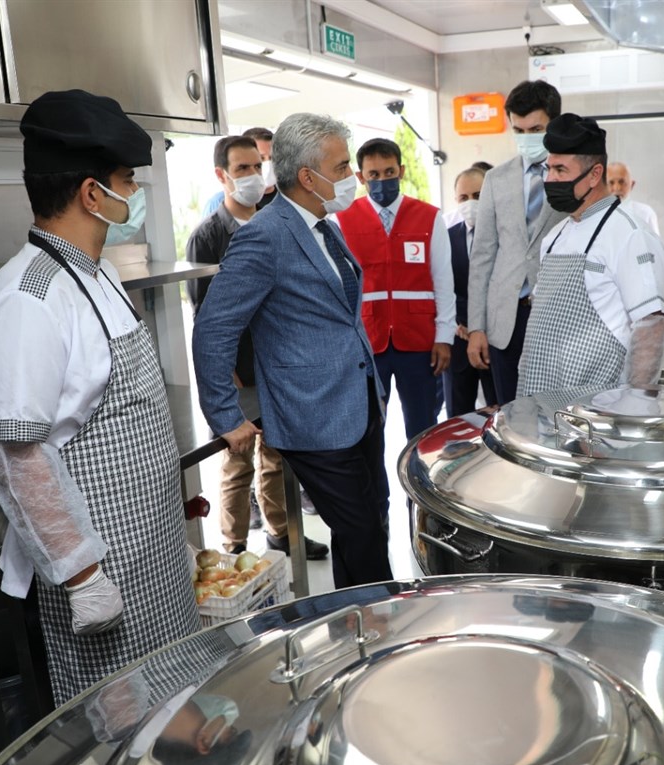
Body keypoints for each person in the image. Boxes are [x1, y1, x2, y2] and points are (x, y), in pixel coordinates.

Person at [0, 89, 199, 706]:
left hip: (149, 552)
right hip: (104, 574)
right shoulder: (30, 297)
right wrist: (83, 576)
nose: (136, 192)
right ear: (92, 193)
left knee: (168, 712)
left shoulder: (94, 272)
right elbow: (18, 457)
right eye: (129, 180)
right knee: (118, 735)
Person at [193, 112, 393, 589]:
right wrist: (224, 414)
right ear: (308, 177)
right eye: (343, 167)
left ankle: (356, 624)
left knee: (370, 523)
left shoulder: (324, 225)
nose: (353, 177)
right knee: (363, 534)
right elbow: (213, 329)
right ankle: (385, 634)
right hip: (313, 414)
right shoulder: (265, 236)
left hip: (358, 401)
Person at [185, 137, 329, 560]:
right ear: (222, 175)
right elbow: (205, 314)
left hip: (278, 365)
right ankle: (233, 548)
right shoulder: (208, 237)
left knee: (278, 457)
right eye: (242, 168)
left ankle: (281, 533)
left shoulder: (274, 222)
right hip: (239, 370)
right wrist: (224, 372)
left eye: (258, 164)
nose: (254, 175)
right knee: (237, 460)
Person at [517, 113, 664, 397]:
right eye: (548, 170)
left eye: (561, 170)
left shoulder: (631, 235)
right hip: (542, 398)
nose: (550, 179)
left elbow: (650, 327)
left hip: (598, 409)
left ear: (595, 174)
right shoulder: (554, 237)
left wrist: (636, 405)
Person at [335, 138, 454, 442]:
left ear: (401, 171)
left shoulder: (429, 217)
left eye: (389, 172)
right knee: (370, 427)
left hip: (419, 341)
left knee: (423, 425)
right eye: (373, 175)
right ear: (360, 177)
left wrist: (444, 337)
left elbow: (443, 281)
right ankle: (376, 491)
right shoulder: (342, 220)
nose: (382, 180)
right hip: (368, 342)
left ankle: (418, 489)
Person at [466, 80, 567, 404]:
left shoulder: (571, 174)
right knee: (509, 413)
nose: (526, 138)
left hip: (555, 312)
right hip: (505, 317)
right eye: (518, 130)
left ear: (554, 123)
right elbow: (482, 255)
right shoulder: (497, 178)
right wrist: (476, 327)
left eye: (535, 129)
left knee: (556, 411)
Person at [444, 166, 497, 416]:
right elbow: (441, 286)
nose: (470, 203)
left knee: (502, 413)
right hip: (458, 340)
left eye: (477, 195)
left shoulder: (505, 237)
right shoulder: (445, 237)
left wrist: (482, 326)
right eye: (463, 198)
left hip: (495, 340)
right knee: (457, 419)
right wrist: (456, 323)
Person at [202, 127, 276, 216]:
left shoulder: (288, 198)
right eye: (261, 158)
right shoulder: (218, 203)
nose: (268, 164)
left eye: (272, 158)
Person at [606, 161, 661, 237]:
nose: (617, 188)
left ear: (632, 184)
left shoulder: (646, 213)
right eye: (611, 182)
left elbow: (656, 247)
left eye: (622, 182)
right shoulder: (595, 215)